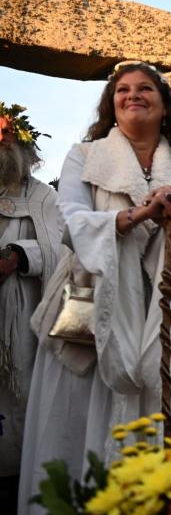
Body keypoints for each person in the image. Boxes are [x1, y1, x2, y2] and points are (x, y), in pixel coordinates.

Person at [18, 61, 171, 515]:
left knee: (164, 411)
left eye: (145, 88)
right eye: (123, 90)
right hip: (93, 306)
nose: (133, 96)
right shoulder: (83, 157)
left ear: (163, 102)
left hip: (168, 312)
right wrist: (134, 216)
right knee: (80, 418)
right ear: (111, 103)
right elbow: (71, 222)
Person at [0, 103, 59, 478]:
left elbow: (62, 247)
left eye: (6, 132)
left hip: (22, 313)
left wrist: (19, 255)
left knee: (17, 392)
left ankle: (14, 479)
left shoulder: (42, 197)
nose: (0, 139)